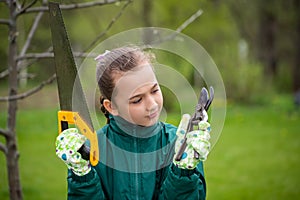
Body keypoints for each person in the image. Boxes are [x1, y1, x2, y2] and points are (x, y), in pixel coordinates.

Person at [55, 46, 211, 199]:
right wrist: (82, 177)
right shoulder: (88, 151)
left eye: (155, 90)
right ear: (111, 106)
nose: (152, 105)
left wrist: (183, 174)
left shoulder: (180, 146)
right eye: (137, 100)